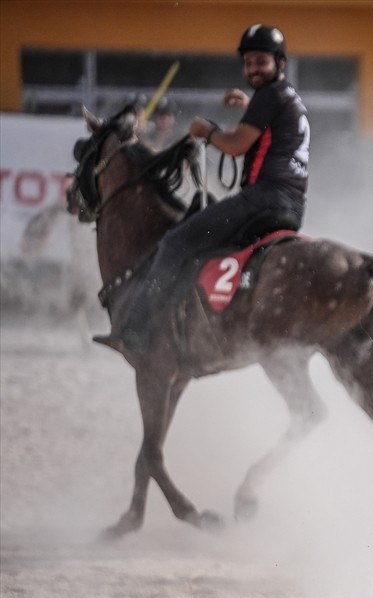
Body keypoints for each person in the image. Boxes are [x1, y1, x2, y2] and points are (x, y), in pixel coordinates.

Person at [102, 23, 310, 355]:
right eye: (248, 62)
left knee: (176, 241)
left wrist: (206, 130)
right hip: (291, 206)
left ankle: (135, 329)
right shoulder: (285, 98)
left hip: (262, 200)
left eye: (261, 61)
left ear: (280, 63)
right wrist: (248, 108)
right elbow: (274, 132)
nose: (253, 68)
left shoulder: (269, 97)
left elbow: (237, 145)